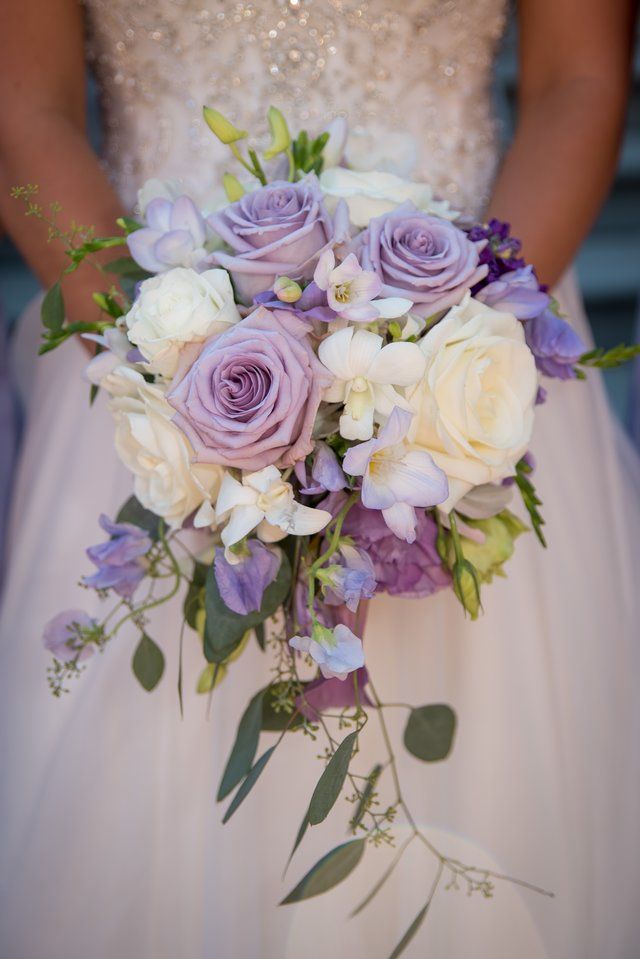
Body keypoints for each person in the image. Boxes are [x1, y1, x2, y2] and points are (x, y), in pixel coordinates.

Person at [0, 1, 639, 957]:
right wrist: (172, 372)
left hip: (464, 368)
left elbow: (577, 80)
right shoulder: (155, 364)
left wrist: (439, 366)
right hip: (144, 354)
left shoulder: (454, 365)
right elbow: (24, 102)